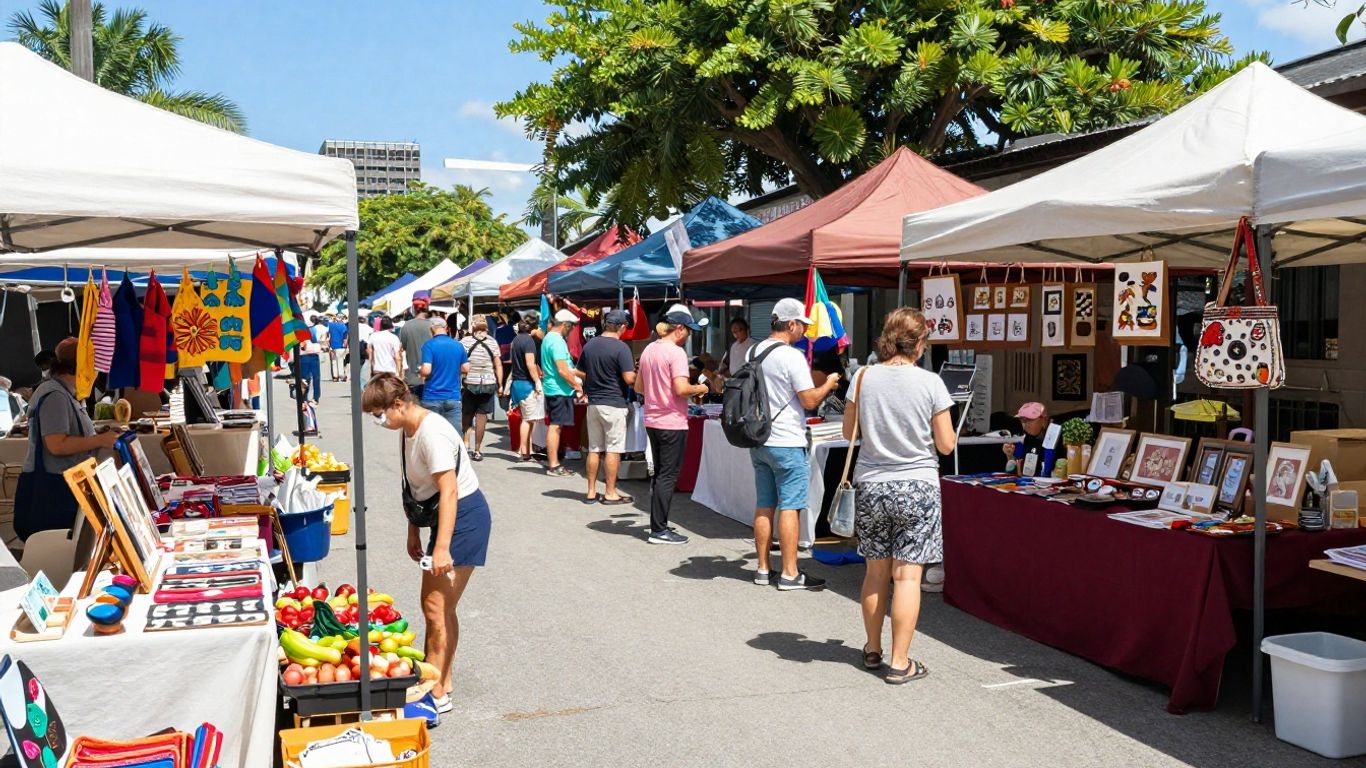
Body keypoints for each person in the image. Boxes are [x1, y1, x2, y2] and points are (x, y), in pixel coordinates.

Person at [362, 373, 490, 716]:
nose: (378, 421)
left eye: (379, 413)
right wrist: (414, 530)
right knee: (440, 607)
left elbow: (448, 491)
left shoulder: (431, 434)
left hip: (463, 517)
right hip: (441, 517)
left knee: (434, 607)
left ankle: (433, 691)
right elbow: (417, 489)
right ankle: (442, 682)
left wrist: (442, 547)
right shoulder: (408, 428)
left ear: (399, 405)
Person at [842, 307, 956, 684]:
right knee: (907, 577)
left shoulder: (862, 377)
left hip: (872, 483)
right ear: (920, 342)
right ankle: (900, 661)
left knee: (876, 573)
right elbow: (945, 443)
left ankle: (872, 650)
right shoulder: (931, 383)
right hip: (917, 485)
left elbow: (848, 434)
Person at [749, 298, 841, 591]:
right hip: (787, 439)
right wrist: (829, 383)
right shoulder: (791, 356)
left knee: (765, 504)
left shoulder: (754, 350)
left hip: (759, 437)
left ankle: (763, 568)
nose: (804, 330)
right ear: (790, 324)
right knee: (791, 506)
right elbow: (810, 400)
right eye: (802, 324)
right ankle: (790, 572)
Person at [14, 338, 120, 540]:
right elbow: (56, 444)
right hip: (54, 492)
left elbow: (70, 436)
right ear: (81, 367)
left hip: (64, 487)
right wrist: (99, 441)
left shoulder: (66, 394)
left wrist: (97, 434)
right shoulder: (56, 396)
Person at [635, 308, 709, 545]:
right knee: (667, 476)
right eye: (688, 330)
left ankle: (657, 524)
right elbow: (681, 389)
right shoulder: (676, 353)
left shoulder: (649, 349)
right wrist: (702, 388)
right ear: (679, 329)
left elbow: (638, 387)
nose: (688, 335)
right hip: (672, 422)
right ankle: (659, 529)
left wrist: (657, 391)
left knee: (660, 475)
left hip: (652, 419)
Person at [579, 309, 636, 505]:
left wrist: (596, 379)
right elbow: (629, 378)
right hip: (614, 403)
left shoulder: (590, 344)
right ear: (621, 327)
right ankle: (610, 492)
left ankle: (591, 492)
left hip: (594, 403)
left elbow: (579, 371)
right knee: (613, 449)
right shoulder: (622, 348)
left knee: (594, 448)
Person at [540, 310, 586, 477]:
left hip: (555, 388)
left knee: (556, 425)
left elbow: (567, 368)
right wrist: (578, 386)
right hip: (559, 390)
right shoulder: (557, 341)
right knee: (556, 426)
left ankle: (554, 461)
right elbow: (563, 370)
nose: (572, 330)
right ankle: (553, 464)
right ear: (565, 324)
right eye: (572, 327)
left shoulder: (549, 338)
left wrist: (583, 375)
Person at [460, 319, 503, 461]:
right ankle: (477, 450)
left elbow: (460, 362)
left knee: (467, 414)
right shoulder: (493, 342)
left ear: (472, 327)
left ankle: (465, 444)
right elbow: (498, 365)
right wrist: (500, 384)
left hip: (470, 382)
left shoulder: (465, 342)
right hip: (488, 383)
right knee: (481, 417)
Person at [504, 313, 544, 463]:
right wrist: (537, 382)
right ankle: (524, 452)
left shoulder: (516, 340)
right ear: (533, 328)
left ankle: (527, 450)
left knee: (526, 419)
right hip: (526, 383)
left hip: (517, 382)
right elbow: (530, 364)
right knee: (528, 419)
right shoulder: (528, 341)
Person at [418, 317, 469, 433]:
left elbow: (426, 370)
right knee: (454, 434)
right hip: (453, 396)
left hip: (432, 396)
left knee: (432, 435)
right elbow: (466, 368)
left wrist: (420, 371)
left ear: (431, 329)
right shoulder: (458, 345)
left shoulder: (428, 345)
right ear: (446, 328)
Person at [1003, 402, 1052, 476]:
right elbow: (1016, 471)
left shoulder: (1054, 441)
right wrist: (1010, 456)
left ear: (1044, 421)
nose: (1026, 424)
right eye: (1023, 421)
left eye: (1030, 420)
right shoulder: (1021, 441)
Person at [400, 296, 434, 398]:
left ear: (414, 309)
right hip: (432, 376)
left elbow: (402, 348)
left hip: (412, 376)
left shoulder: (406, 327)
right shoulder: (433, 326)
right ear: (427, 308)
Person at [298, 316, 324, 403]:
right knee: (315, 377)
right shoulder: (315, 329)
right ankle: (315, 397)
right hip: (312, 355)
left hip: (304, 355)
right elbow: (317, 340)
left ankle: (304, 397)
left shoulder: (300, 330)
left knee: (305, 377)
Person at [327, 313, 349, 382]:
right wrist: (345, 346)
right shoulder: (344, 326)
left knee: (333, 361)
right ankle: (341, 376)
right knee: (340, 361)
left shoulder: (331, 325)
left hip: (332, 346)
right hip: (340, 346)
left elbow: (327, 333)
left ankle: (335, 376)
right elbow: (345, 338)